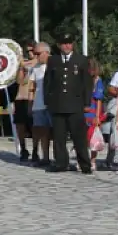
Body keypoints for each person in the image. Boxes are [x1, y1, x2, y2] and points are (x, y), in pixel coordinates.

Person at [44, 34, 92, 172]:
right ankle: (61, 163)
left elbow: (86, 83)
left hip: (75, 104)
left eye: (69, 43)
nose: (67, 46)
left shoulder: (81, 60)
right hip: (58, 104)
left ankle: (85, 164)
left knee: (79, 138)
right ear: (59, 45)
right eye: (64, 43)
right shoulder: (53, 60)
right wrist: (48, 100)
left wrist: (87, 102)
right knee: (59, 137)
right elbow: (48, 81)